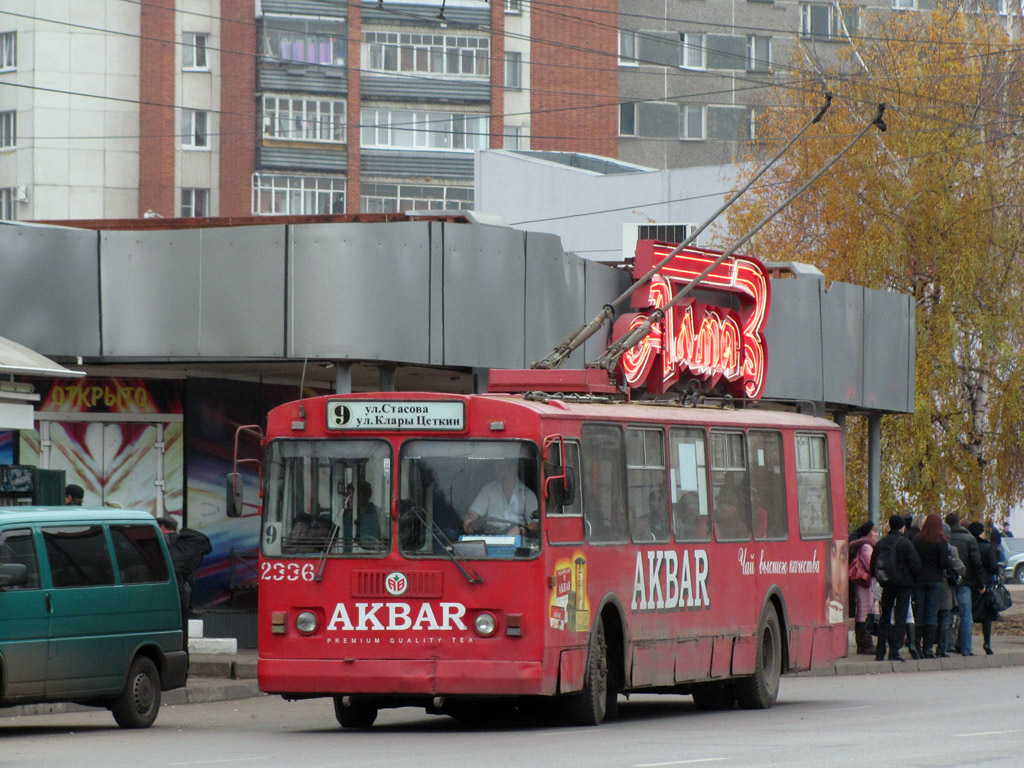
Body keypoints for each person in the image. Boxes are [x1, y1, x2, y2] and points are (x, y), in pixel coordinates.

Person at [158, 515, 212, 658]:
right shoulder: (185, 544)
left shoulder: (163, 542)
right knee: (182, 636)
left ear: (163, 527)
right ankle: (183, 671)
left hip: (166, 595)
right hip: (184, 595)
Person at [870, 514, 920, 661]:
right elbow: (915, 565)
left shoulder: (881, 543)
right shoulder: (905, 543)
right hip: (903, 585)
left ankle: (880, 651)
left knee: (885, 616)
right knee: (900, 617)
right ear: (903, 527)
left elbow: (873, 566)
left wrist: (881, 578)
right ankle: (894, 651)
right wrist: (911, 579)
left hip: (886, 584)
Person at [911, 513, 955, 659]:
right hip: (935, 579)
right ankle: (928, 648)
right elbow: (944, 562)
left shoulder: (917, 539)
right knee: (931, 614)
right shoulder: (941, 541)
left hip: (919, 579)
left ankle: (916, 646)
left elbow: (913, 559)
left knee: (919, 613)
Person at [463, 459, 538, 537]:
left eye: (501, 468)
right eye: (496, 468)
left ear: (513, 469)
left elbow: (536, 524)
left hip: (518, 540)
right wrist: (469, 520)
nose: (497, 472)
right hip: (491, 537)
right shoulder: (488, 490)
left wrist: (521, 530)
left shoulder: (527, 494)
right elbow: (472, 513)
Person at [945, 512, 984, 656]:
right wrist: (981, 584)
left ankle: (945, 645)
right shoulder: (969, 539)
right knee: (966, 615)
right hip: (965, 581)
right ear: (959, 523)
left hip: (947, 581)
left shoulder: (945, 539)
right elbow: (976, 563)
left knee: (947, 613)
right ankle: (966, 648)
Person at [968, 521, 1001, 655]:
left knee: (967, 613)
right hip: (985, 582)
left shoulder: (968, 544)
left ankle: (964, 642)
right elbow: (993, 568)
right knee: (986, 614)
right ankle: (987, 642)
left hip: (969, 581)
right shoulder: (987, 547)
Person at [849, 521, 880, 654]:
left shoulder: (861, 544)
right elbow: (870, 565)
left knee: (863, 610)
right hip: (865, 583)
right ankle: (865, 643)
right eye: (874, 531)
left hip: (862, 582)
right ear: (868, 533)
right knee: (866, 611)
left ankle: (862, 642)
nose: (877, 534)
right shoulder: (867, 546)